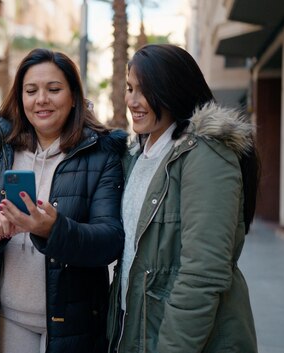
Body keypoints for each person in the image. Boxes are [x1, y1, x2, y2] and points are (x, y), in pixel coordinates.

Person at [0, 48, 127, 353]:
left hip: (74, 323)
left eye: (54, 89)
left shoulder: (101, 154)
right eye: (31, 90)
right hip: (6, 316)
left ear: (73, 96)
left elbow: (110, 240)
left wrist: (53, 229)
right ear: (20, 97)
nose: (41, 100)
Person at [107, 44, 259, 353]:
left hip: (191, 340)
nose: (132, 101)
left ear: (171, 91)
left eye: (144, 91)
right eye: (130, 88)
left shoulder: (205, 155)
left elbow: (203, 274)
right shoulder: (139, 156)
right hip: (140, 330)